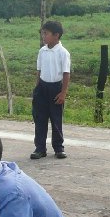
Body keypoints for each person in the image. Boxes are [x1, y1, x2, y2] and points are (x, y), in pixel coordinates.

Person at [31, 20, 71, 160]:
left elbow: (66, 74)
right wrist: (37, 89)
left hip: (56, 88)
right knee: (40, 119)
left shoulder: (63, 53)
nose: (43, 36)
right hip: (42, 88)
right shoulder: (42, 51)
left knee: (56, 119)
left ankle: (59, 148)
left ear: (56, 35)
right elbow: (39, 70)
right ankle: (40, 148)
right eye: (43, 33)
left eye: (46, 33)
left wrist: (63, 93)